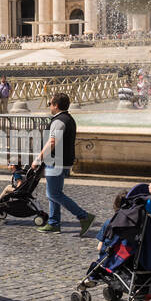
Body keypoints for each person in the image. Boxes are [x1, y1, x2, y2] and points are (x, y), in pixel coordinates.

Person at [35, 93, 94, 236]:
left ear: (55, 105)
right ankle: (54, 223)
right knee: (54, 193)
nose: (49, 106)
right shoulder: (69, 119)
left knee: (54, 193)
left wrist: (38, 158)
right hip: (62, 161)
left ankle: (84, 216)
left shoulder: (59, 121)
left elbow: (53, 142)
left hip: (56, 161)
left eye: (50, 103)